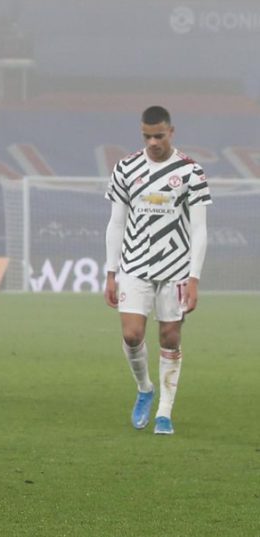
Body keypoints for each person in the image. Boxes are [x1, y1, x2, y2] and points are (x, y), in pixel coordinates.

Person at [103, 105, 211, 436]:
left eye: (159, 136)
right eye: (147, 136)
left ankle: (164, 412)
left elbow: (198, 230)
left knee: (170, 336)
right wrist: (111, 271)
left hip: (175, 269)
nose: (152, 142)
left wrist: (194, 278)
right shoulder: (126, 168)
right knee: (132, 334)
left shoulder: (191, 172)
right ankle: (145, 388)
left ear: (171, 132)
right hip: (134, 265)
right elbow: (116, 222)